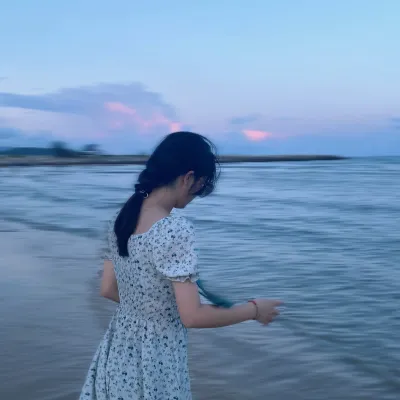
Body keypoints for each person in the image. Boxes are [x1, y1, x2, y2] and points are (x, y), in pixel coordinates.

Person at [79, 131, 282, 400]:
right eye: (201, 184)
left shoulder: (121, 217)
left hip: (118, 351)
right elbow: (192, 316)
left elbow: (107, 289)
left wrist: (151, 308)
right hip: (156, 360)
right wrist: (254, 310)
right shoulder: (174, 229)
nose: (198, 193)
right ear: (188, 178)